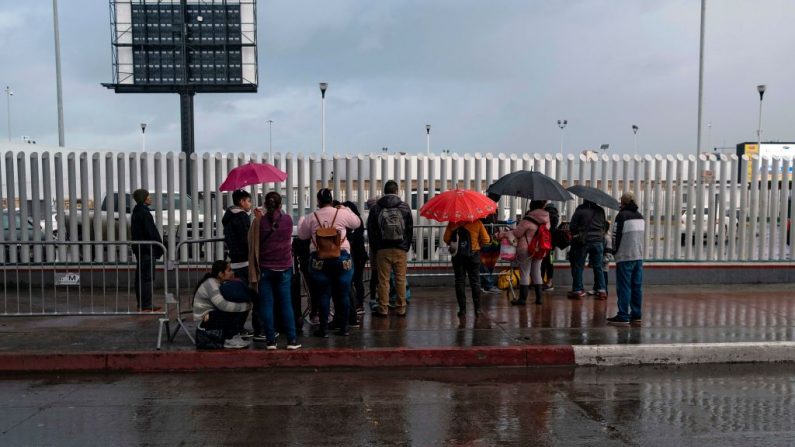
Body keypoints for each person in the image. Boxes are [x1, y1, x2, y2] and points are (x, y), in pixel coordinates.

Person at [297, 188, 361, 337]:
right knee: (343, 294)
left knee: (323, 294)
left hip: (319, 260)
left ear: (318, 201)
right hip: (342, 258)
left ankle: (324, 329)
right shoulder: (342, 213)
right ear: (331, 200)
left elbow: (302, 235)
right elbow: (357, 223)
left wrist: (301, 220)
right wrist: (345, 208)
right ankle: (344, 328)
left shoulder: (312, 217)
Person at [247, 192, 301, 350]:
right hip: (284, 268)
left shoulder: (260, 222)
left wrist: (257, 218)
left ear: (264, 204)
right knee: (286, 304)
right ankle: (292, 340)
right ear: (280, 205)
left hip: (265, 269)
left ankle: (271, 341)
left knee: (267, 304)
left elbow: (251, 239)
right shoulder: (288, 220)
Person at [366, 180, 413, 318]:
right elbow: (409, 229)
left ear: (384, 192)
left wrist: (376, 248)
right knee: (400, 279)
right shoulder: (405, 207)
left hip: (382, 249)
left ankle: (383, 308)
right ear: (397, 191)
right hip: (400, 249)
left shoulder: (376, 208)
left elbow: (371, 230)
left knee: (383, 280)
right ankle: (401, 309)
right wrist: (405, 246)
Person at [222, 189, 262, 339]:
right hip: (246, 262)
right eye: (248, 201)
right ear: (241, 202)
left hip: (235, 261)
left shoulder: (228, 216)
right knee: (254, 296)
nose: (250, 204)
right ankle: (258, 329)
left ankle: (238, 327)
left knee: (242, 296)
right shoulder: (241, 217)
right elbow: (248, 239)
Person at [499, 200, 550, 305]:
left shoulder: (528, 219)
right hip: (540, 248)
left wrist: (514, 228)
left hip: (525, 248)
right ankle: (539, 299)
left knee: (525, 273)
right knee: (537, 272)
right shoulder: (546, 218)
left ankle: (522, 299)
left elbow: (517, 233)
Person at [193, 260, 252, 349]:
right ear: (221, 274)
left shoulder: (218, 282)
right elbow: (222, 305)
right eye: (229, 270)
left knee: (236, 305)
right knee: (234, 309)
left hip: (210, 319)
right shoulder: (211, 283)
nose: (232, 272)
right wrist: (244, 307)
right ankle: (230, 338)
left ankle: (232, 336)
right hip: (204, 323)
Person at [607, 192, 646, 326]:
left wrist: (614, 251)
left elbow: (615, 235)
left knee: (624, 287)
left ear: (622, 203)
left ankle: (623, 315)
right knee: (636, 286)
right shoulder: (640, 217)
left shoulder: (621, 216)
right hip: (638, 256)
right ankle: (636, 314)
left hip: (625, 256)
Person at [444, 218, 490, 317]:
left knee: (460, 281)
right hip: (473, 255)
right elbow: (486, 239)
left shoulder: (453, 222)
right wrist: (477, 245)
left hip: (458, 256)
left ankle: (462, 310)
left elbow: (446, 239)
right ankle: (477, 309)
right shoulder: (477, 222)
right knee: (475, 281)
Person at [130, 188, 164, 312]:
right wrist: (160, 245)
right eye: (148, 196)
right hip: (147, 249)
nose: (150, 198)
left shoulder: (136, 212)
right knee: (147, 277)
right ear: (143, 198)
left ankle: (141, 303)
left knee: (140, 277)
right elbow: (151, 232)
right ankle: (147, 303)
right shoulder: (144, 213)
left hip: (140, 248)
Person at [568, 199, 607, 300]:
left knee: (579, 266)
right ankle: (602, 290)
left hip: (583, 241)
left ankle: (577, 290)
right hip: (598, 241)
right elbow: (604, 225)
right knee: (598, 267)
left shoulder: (580, 210)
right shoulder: (600, 210)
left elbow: (572, 226)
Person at [343, 200, 368, 323]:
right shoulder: (359, 220)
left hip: (354, 254)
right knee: (358, 280)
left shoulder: (350, 223)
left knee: (354, 280)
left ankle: (356, 304)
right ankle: (359, 304)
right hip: (360, 255)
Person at [540, 202, 560, 291]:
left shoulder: (544, 216)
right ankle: (549, 282)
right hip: (552, 245)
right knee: (550, 262)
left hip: (544, 243)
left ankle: (540, 281)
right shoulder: (556, 216)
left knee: (542, 262)